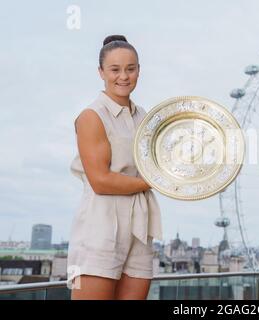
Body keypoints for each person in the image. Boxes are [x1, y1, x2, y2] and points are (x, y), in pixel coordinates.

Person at [67, 35, 163, 300]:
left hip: (140, 228)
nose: (124, 76)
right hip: (101, 225)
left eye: (130, 69)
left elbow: (160, 161)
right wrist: (155, 181)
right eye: (115, 69)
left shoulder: (144, 117)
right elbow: (101, 181)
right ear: (101, 72)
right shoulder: (92, 116)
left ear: (139, 71)